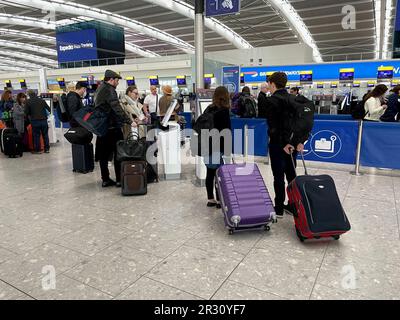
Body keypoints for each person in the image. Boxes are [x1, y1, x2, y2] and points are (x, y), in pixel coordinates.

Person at [262, 72, 305, 218]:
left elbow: (273, 127)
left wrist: (282, 143)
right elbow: (301, 124)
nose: (268, 86)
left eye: (269, 83)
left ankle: (279, 207)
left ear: (273, 83)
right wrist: (299, 141)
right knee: (292, 175)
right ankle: (293, 205)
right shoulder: (294, 99)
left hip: (278, 145)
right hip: (292, 146)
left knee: (278, 177)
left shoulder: (272, 101)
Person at [95, 70, 133, 188]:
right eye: (117, 80)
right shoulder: (110, 90)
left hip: (101, 127)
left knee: (103, 155)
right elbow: (116, 108)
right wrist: (130, 121)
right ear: (111, 79)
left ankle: (105, 179)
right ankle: (119, 180)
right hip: (112, 128)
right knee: (118, 154)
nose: (117, 83)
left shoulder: (100, 89)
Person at [204, 86, 232, 208]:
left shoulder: (208, 109)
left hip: (207, 145)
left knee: (209, 173)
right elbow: (226, 131)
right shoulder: (224, 111)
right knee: (219, 174)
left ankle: (210, 199)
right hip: (219, 146)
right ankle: (220, 200)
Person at [25, 90, 50, 154]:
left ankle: (37, 150)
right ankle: (47, 149)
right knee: (45, 135)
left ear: (29, 95)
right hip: (44, 120)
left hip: (35, 121)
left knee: (36, 136)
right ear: (35, 94)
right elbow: (49, 109)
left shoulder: (28, 102)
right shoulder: (42, 100)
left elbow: (26, 112)